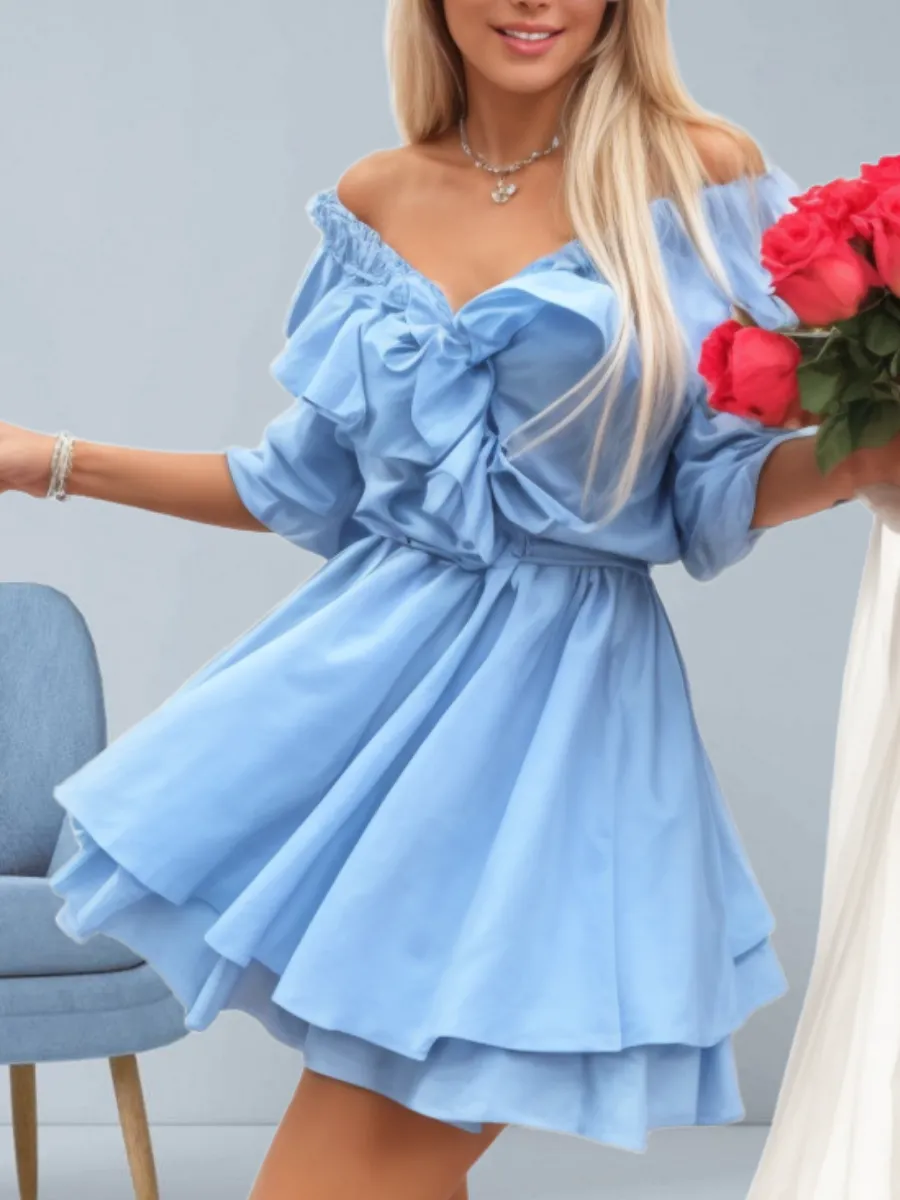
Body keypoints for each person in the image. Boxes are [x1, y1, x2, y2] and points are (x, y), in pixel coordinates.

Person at [2, 2, 895, 1197]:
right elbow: (295, 488)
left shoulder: (701, 176)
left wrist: (863, 453)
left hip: (558, 729)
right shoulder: (374, 198)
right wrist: (45, 461)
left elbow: (711, 492)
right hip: (365, 712)